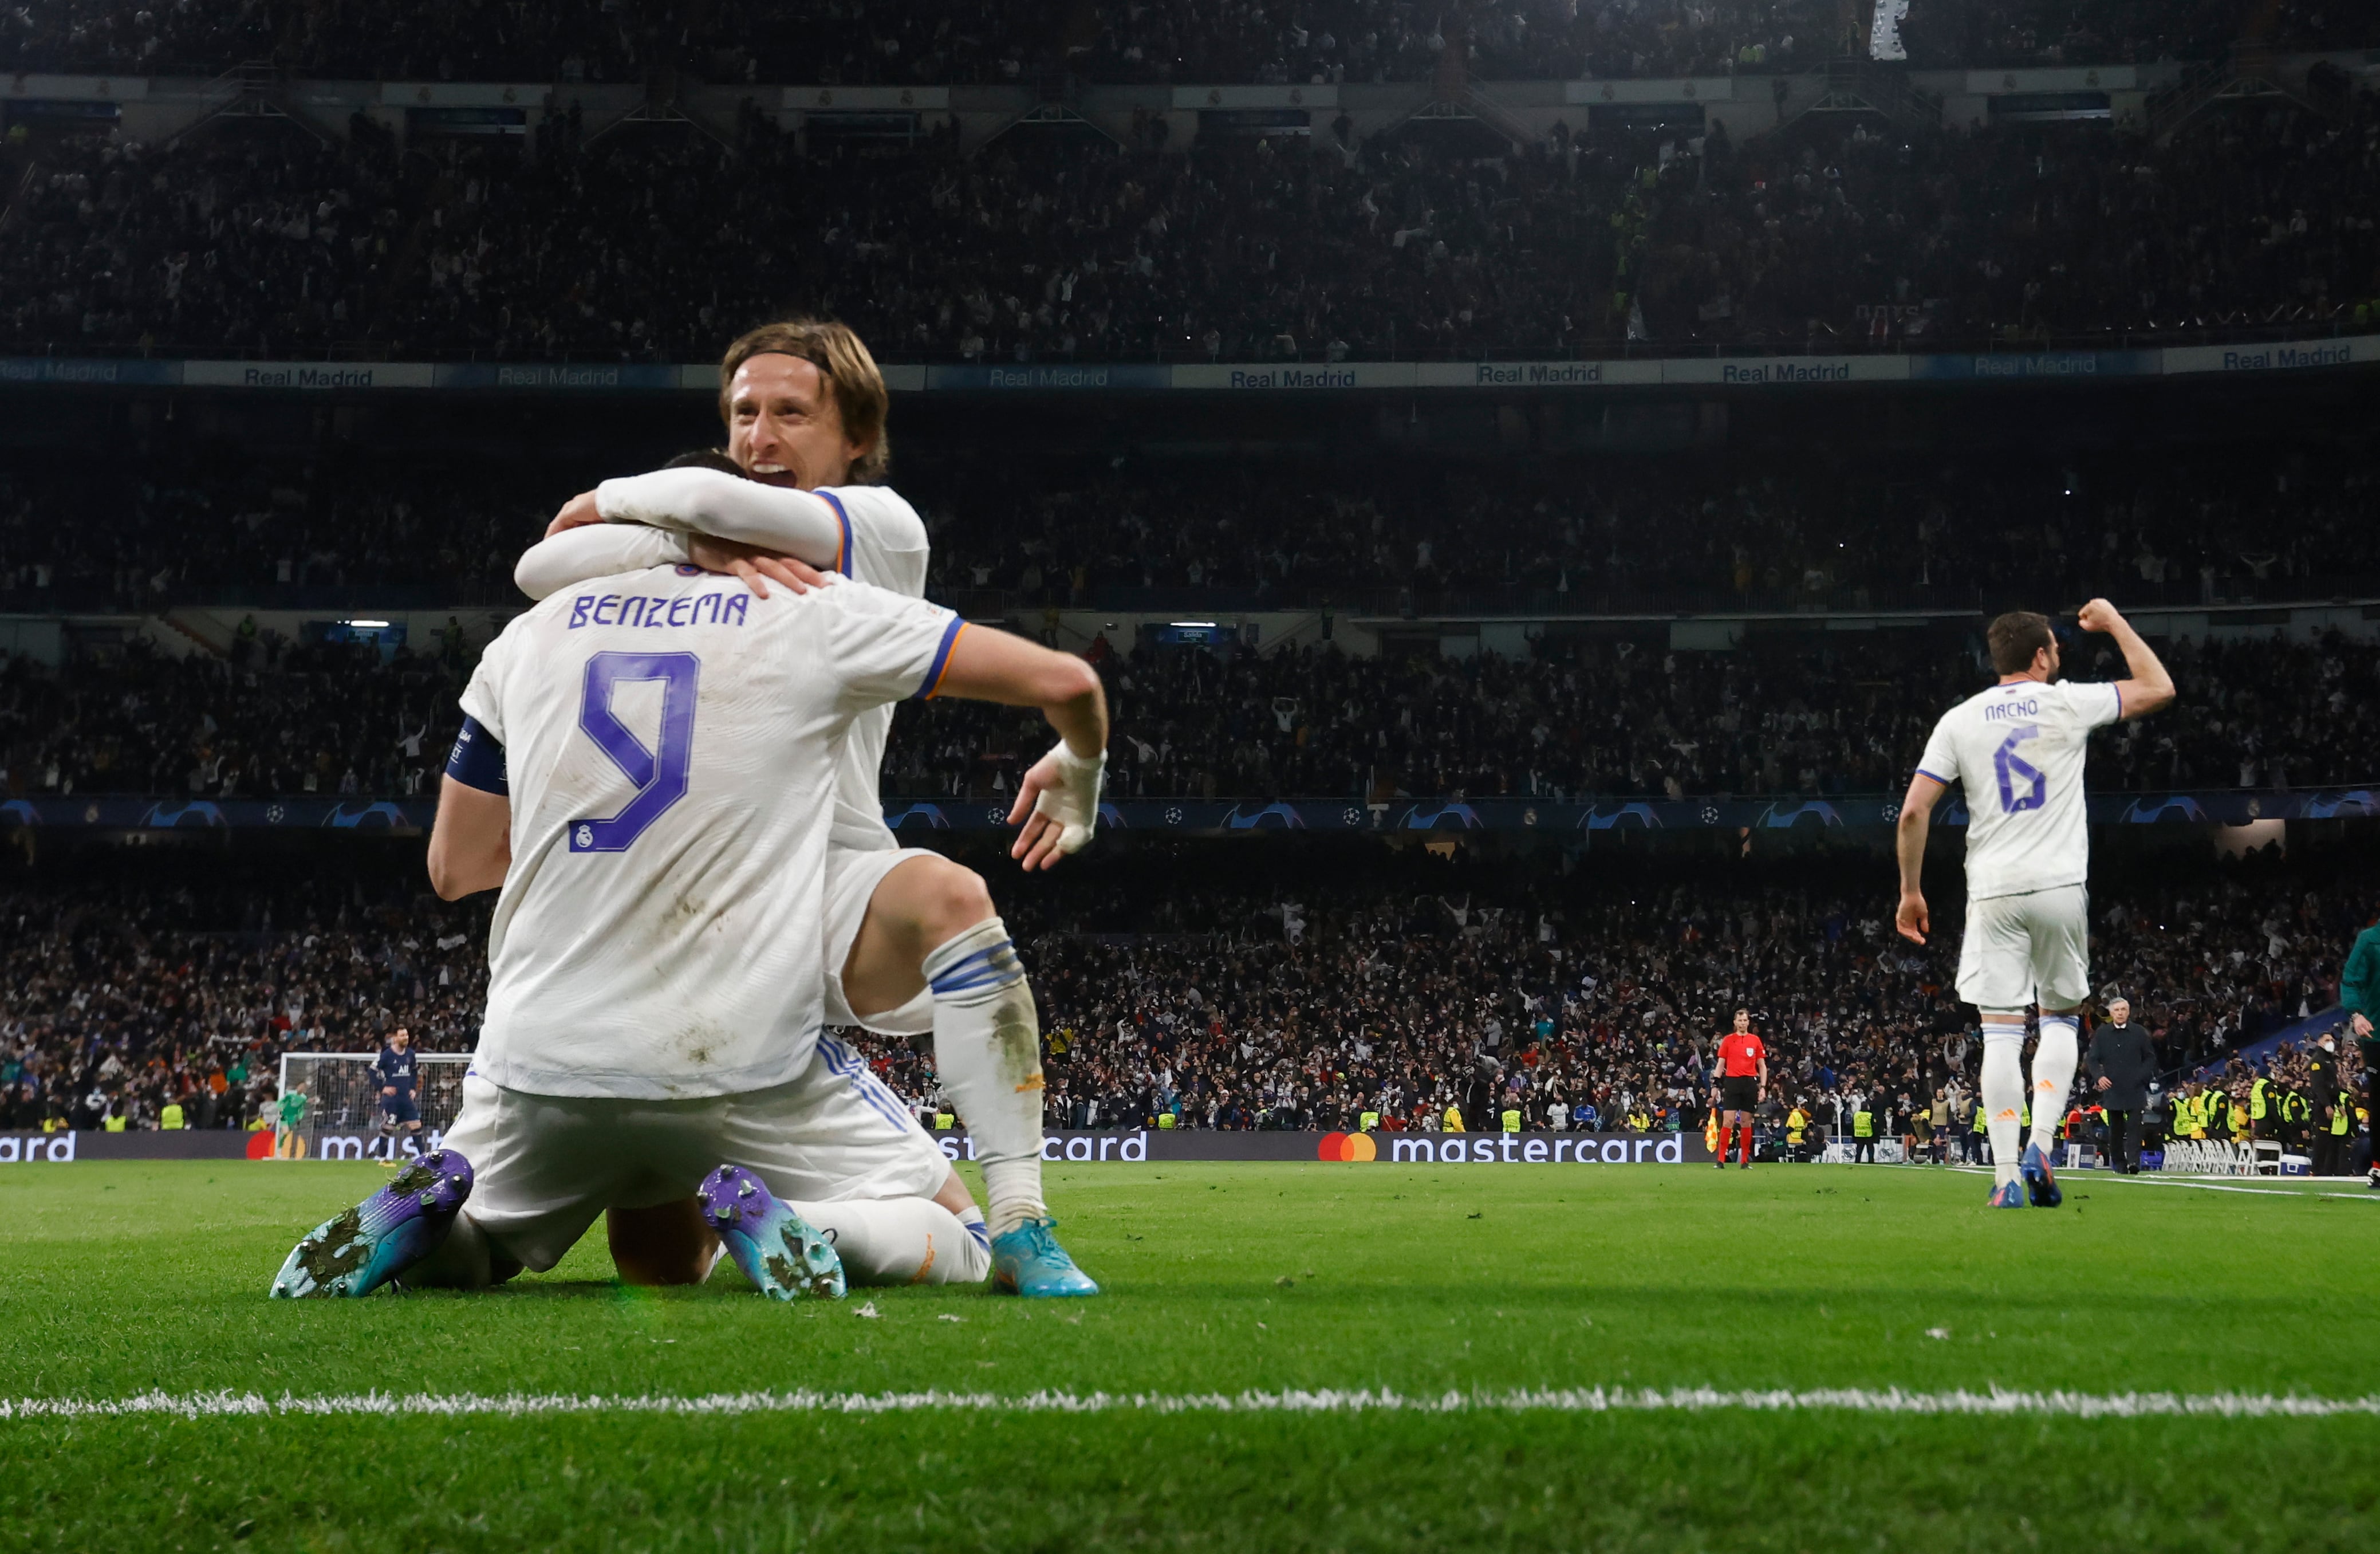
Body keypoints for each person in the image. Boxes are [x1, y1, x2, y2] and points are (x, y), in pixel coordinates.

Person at [269, 531, 1110, 1301]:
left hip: (542, 1056)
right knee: (960, 1233)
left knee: (576, 1256)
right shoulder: (796, 608)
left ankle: (433, 1221)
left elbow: (453, 867)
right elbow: (1061, 679)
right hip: (729, 1046)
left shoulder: (528, 635)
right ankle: (824, 1230)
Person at [517, 320, 1085, 1287]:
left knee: (946, 896)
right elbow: (541, 566)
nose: (760, 437)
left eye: (791, 412)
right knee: (658, 1260)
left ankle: (1023, 1218)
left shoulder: (880, 526)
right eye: (743, 414)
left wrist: (622, 506)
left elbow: (585, 535)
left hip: (823, 876)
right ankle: (803, 1217)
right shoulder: (696, 554)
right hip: (685, 894)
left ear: (857, 436)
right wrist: (689, 541)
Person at [1895, 601, 2173, 1209]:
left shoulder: (1959, 720)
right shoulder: (2067, 701)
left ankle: (2003, 1180)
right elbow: (2158, 687)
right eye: (2056, 647)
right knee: (2060, 1019)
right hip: (2058, 887)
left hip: (1992, 890)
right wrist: (2116, 624)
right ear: (2042, 654)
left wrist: (1910, 891)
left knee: (1998, 1035)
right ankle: (2040, 1144)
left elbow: (1914, 810)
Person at [2086, 995, 2154, 1174]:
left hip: (2135, 1088)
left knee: (2134, 1129)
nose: (2120, 1013)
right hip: (2112, 1088)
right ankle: (2120, 1164)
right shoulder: (2102, 1034)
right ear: (2111, 1013)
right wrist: (2099, 1077)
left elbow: (2150, 1058)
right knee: (2115, 1132)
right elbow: (2092, 1059)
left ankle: (2134, 1163)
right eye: (2116, 1010)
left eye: (2123, 1009)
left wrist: (2141, 1077)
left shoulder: (2139, 1032)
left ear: (2129, 1012)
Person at [2340, 910, 2380, 1189]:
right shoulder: (2370, 941)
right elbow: (2350, 979)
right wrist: (2357, 1014)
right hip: (2377, 1034)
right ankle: (2378, 1167)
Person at [1710, 1008, 1766, 1170]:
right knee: (1728, 1120)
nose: (1742, 1023)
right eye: (1740, 1020)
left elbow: (1762, 1066)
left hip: (1749, 1083)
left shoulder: (1755, 1040)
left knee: (1746, 1122)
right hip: (1732, 1082)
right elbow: (1721, 1064)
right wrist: (1715, 1084)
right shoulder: (1728, 1040)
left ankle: (1744, 1162)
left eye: (1745, 1020)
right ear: (1735, 1022)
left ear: (1748, 1022)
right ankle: (1720, 1160)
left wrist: (1763, 1087)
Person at [376, 1026, 424, 1164]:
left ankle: (423, 1158)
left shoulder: (410, 1054)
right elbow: (373, 1071)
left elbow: (414, 1071)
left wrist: (413, 1088)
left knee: (416, 1126)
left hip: (406, 1099)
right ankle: (383, 1159)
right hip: (392, 1100)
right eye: (402, 1035)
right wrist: (383, 1088)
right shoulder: (387, 1055)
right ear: (396, 1038)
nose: (406, 1038)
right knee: (388, 1128)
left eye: (407, 1035)